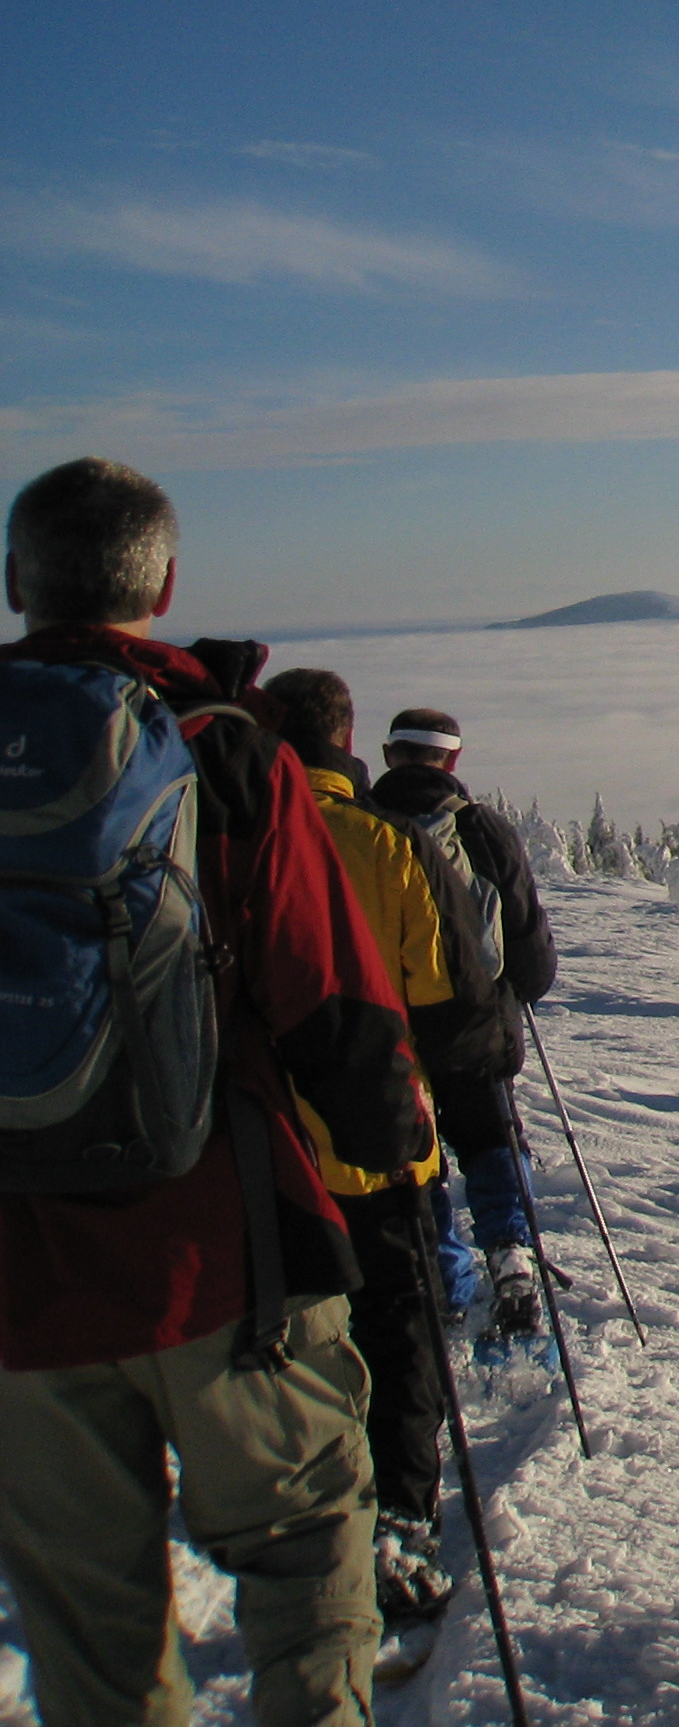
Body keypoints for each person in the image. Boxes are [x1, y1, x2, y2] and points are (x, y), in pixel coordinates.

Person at [0, 459, 431, 1727]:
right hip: (219, 1256)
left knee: (90, 1629)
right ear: (167, 584)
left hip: (19, 1296)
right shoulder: (220, 752)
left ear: (18, 582)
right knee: (305, 1557)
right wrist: (399, 1160)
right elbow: (335, 1005)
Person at [257, 669, 472, 1629]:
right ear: (349, 740)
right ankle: (401, 1515)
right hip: (384, 1137)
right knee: (400, 1321)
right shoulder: (387, 844)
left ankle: (299, 1517)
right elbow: (434, 989)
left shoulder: (229, 833)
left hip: (263, 1144)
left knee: (291, 1331)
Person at [368, 709, 557, 1356]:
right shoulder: (480, 829)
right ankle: (511, 1256)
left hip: (390, 1027)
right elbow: (529, 943)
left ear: (391, 755)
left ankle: (442, 1277)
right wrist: (514, 994)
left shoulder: (363, 827)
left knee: (416, 1152)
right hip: (475, 1023)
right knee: (490, 1136)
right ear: (452, 761)